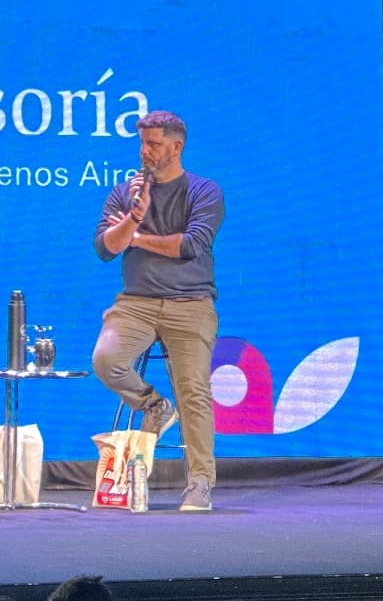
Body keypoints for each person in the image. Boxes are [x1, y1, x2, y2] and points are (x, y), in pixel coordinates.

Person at [90, 110, 224, 512]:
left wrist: (137, 237)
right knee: (106, 359)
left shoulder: (203, 191)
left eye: (153, 144)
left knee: (193, 390)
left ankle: (199, 482)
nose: (144, 151)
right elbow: (105, 248)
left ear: (176, 147)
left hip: (191, 302)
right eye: (142, 143)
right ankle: (154, 406)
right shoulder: (124, 194)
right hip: (137, 302)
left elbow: (190, 245)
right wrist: (134, 216)